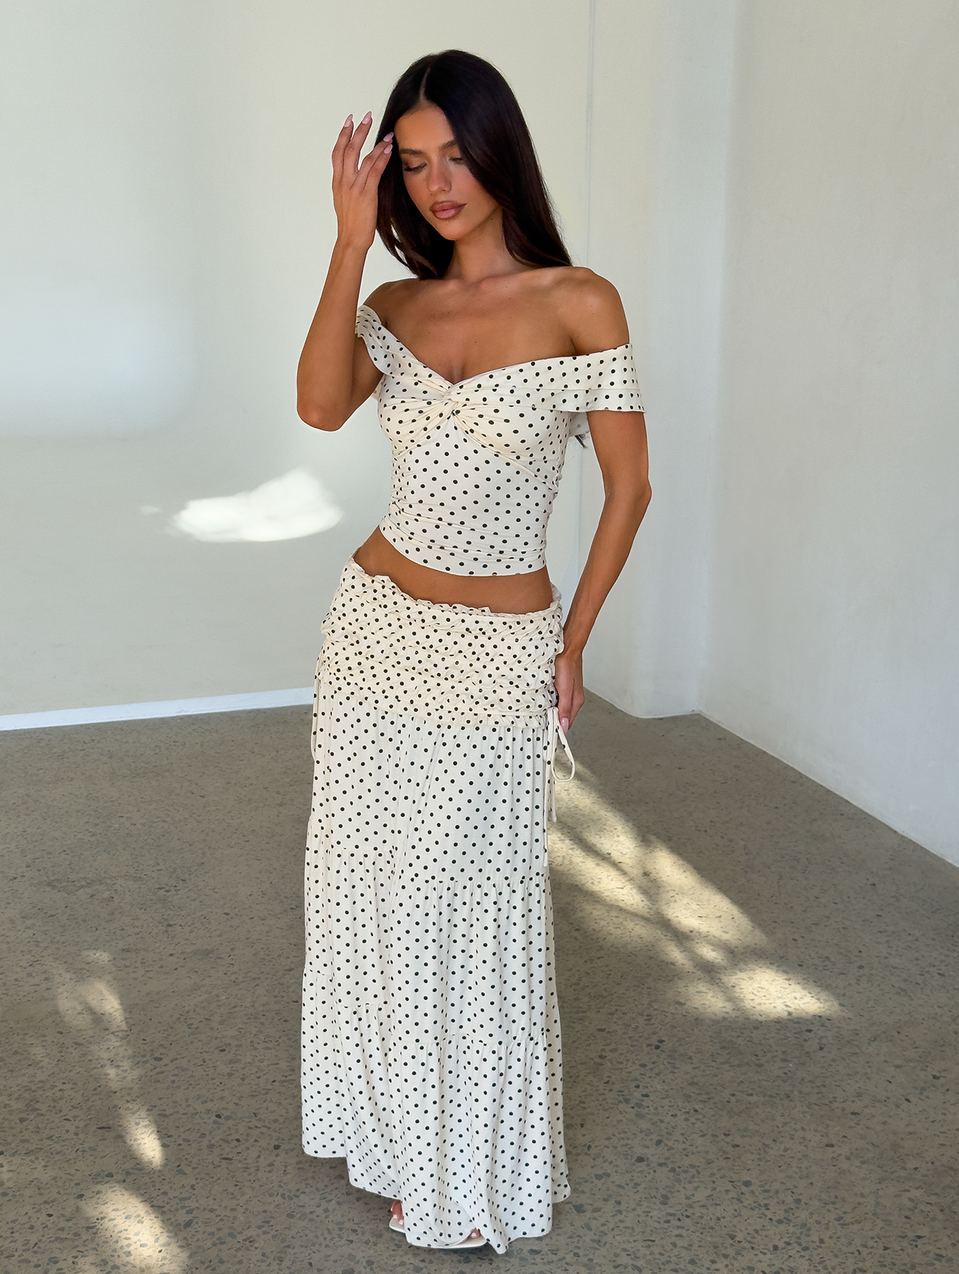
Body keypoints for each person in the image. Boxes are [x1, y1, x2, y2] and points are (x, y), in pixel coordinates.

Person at [296, 49, 650, 1253]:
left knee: (466, 903)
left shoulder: (577, 300)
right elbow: (317, 405)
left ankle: (465, 1156)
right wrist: (350, 242)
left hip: (501, 643)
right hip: (373, 630)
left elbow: (628, 486)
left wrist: (573, 634)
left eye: (454, 154)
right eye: (412, 162)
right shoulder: (393, 302)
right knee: (372, 892)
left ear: (499, 150)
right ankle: (397, 1135)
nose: (437, 183)